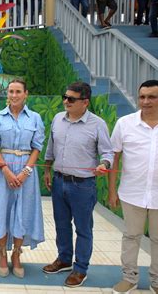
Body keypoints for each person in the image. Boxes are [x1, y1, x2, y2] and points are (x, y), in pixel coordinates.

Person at [42, 82, 113, 288]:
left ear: (85, 102)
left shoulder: (97, 124)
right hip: (59, 181)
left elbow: (107, 153)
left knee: (83, 229)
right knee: (61, 225)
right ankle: (64, 259)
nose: (66, 101)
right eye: (65, 97)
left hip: (83, 186)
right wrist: (47, 170)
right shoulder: (58, 119)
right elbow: (50, 147)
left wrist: (104, 164)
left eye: (71, 99)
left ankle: (80, 269)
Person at [0, 79, 45, 279]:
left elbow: (37, 147)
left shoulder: (35, 118)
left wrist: (26, 172)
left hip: (26, 171)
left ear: (25, 94)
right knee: (1, 211)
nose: (14, 95)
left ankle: (17, 255)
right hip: (2, 170)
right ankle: (2, 254)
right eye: (11, 91)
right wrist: (5, 169)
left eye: (18, 91)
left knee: (23, 211)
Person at [109, 80, 158, 294]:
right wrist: (112, 191)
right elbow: (114, 158)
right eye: (142, 97)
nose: (145, 101)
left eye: (152, 97)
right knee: (131, 237)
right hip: (131, 193)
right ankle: (129, 278)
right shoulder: (125, 124)